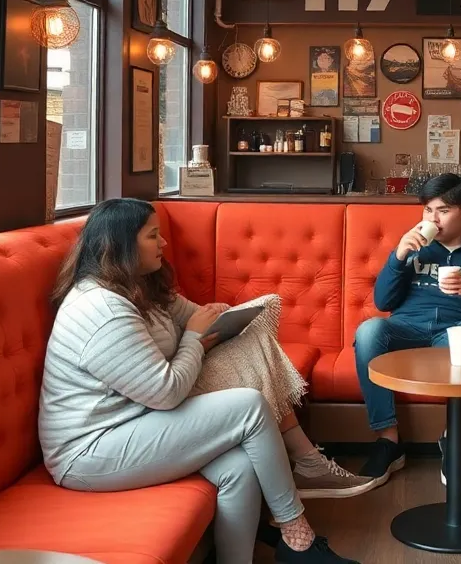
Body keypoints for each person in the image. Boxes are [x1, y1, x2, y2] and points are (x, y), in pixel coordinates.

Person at [39, 198, 358, 564]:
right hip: (90, 450)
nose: (163, 243)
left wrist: (217, 317)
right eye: (153, 236)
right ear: (121, 246)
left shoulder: (139, 287)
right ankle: (296, 533)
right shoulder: (102, 309)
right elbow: (167, 392)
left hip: (136, 420)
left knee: (238, 466)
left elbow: (193, 316)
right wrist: (193, 337)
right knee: (249, 406)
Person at [354, 174, 461, 485]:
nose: (433, 219)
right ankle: (388, 442)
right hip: (407, 327)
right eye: (428, 211)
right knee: (368, 332)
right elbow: (382, 301)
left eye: (442, 211)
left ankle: (454, 439)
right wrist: (399, 256)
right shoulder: (416, 246)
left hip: (457, 330)